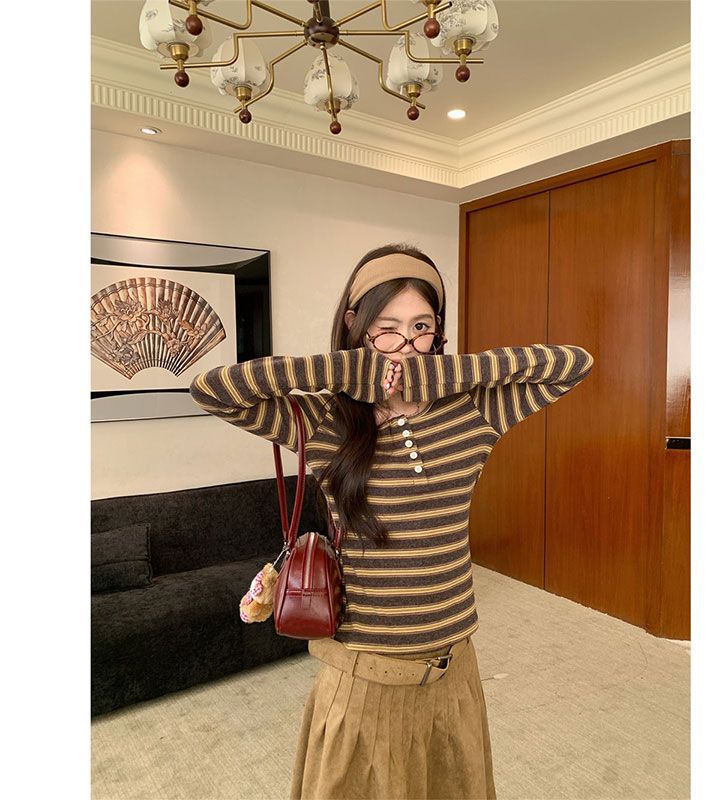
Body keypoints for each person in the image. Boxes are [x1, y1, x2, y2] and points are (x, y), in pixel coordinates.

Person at [188, 243, 594, 800]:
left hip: (453, 672)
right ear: (356, 327)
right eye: (387, 329)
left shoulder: (472, 412)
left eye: (422, 327)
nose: (406, 346)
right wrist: (349, 370)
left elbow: (571, 364)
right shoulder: (328, 421)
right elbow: (215, 390)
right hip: (363, 677)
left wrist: (442, 375)